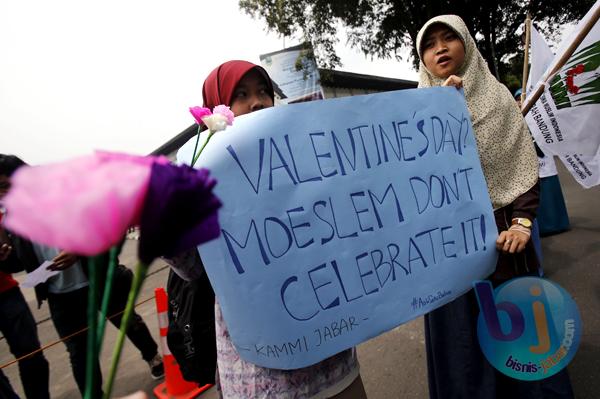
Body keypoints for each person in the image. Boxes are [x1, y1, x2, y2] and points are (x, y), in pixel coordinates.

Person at [166, 60, 367, 398]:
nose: (258, 102)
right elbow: (191, 268)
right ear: (216, 109)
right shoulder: (200, 180)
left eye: (264, 92)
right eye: (241, 95)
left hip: (333, 364)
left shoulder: (310, 158)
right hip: (262, 378)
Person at [416, 15, 574, 398]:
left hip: (506, 248)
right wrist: (442, 115)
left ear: (466, 43)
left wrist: (521, 224)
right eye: (429, 43)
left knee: (521, 337)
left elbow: (520, 166)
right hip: (450, 260)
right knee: (464, 344)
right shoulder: (414, 116)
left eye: (448, 38)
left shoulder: (499, 98)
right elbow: (412, 187)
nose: (439, 47)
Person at [0, 154, 164, 397]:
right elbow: (18, 261)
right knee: (79, 352)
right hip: (60, 295)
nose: (3, 194)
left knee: (128, 321)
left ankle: (152, 355)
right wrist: (4, 256)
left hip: (97, 278)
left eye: (5, 186)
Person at [0, 155, 50, 399]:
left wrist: (6, 254)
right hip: (19, 294)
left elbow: (14, 262)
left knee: (32, 356)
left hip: (7, 293)